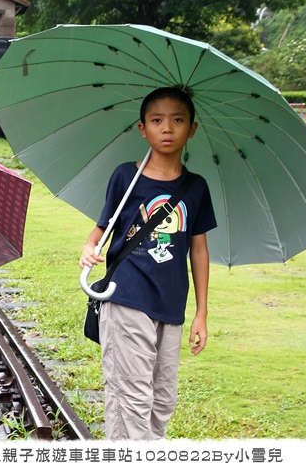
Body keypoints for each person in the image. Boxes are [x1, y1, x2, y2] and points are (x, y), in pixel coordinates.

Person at [79, 86, 217, 440]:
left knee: (162, 401)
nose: (167, 128)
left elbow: (198, 251)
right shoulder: (127, 177)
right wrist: (88, 248)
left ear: (192, 129)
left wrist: (201, 312)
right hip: (126, 295)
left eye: (177, 120)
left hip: (171, 305)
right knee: (131, 399)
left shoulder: (196, 187)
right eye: (157, 120)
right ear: (143, 129)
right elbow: (100, 230)